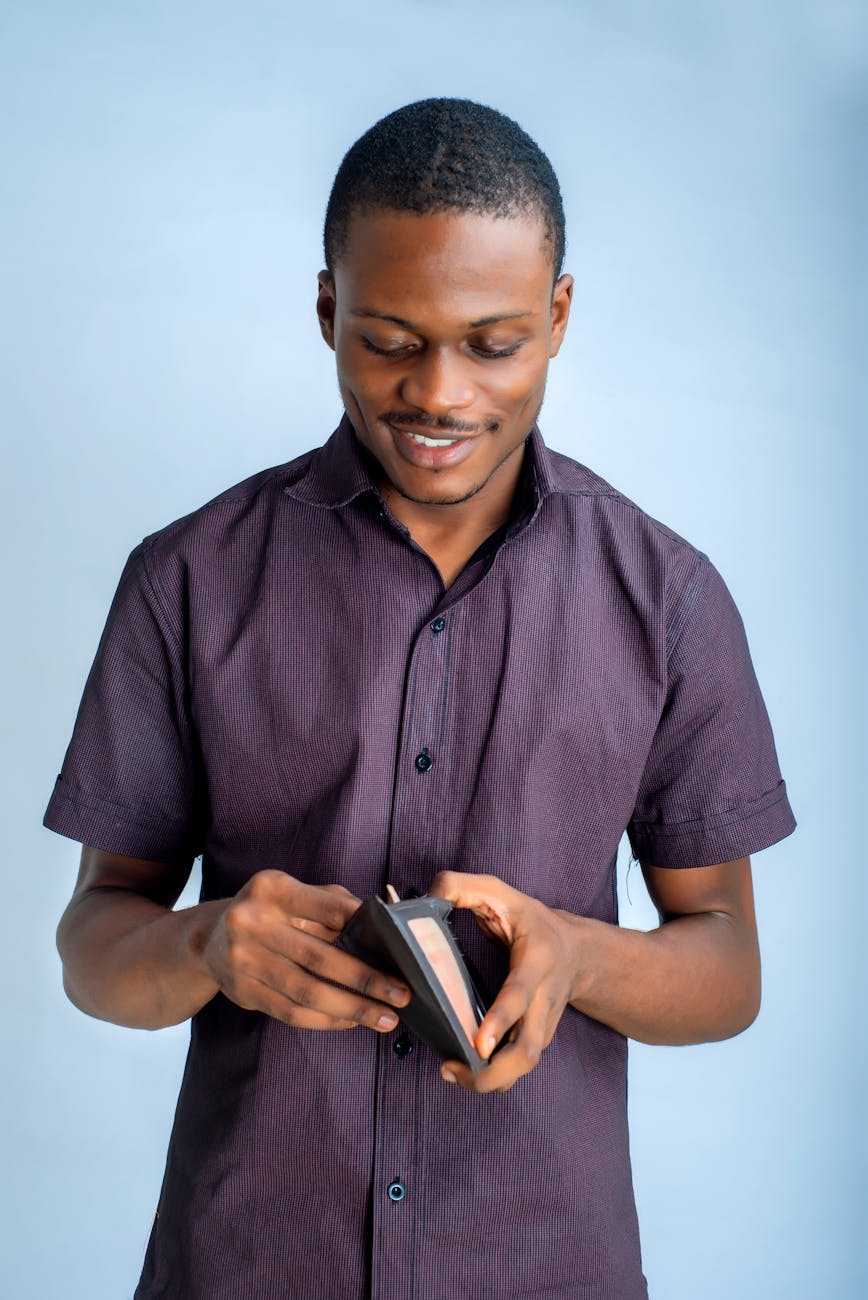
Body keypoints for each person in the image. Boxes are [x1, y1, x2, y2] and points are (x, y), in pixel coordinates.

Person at [45, 98, 796, 1299]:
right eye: (390, 338)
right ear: (327, 309)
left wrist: (578, 957)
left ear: (557, 317)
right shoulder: (186, 578)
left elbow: (728, 968)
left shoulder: (669, 598)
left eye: (493, 342)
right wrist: (205, 939)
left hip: (543, 1264)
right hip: (246, 1265)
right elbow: (94, 944)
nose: (439, 395)